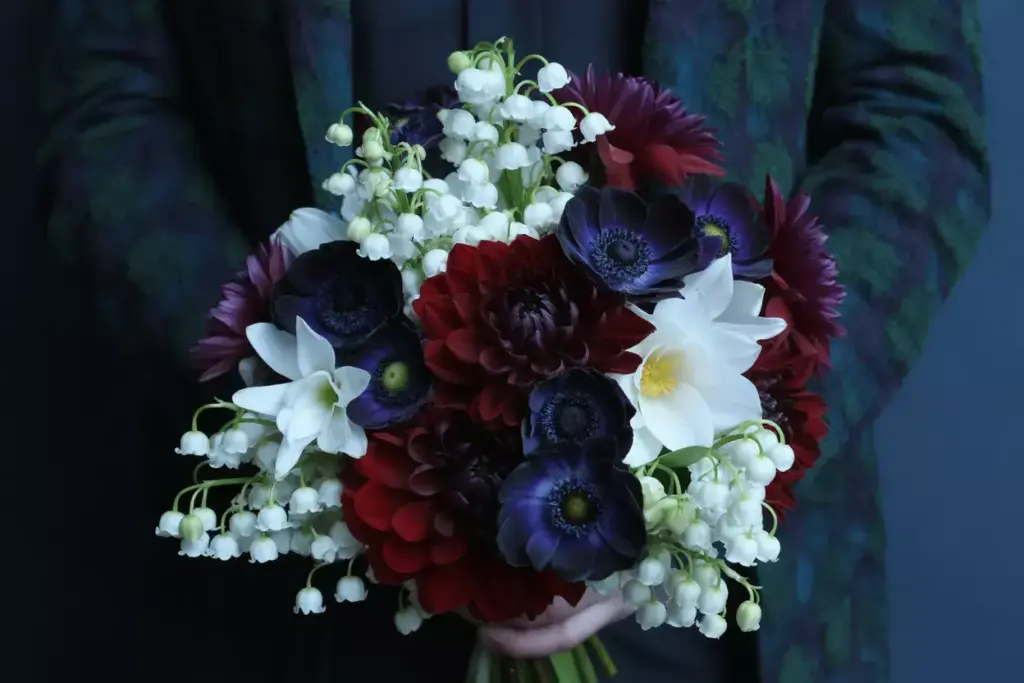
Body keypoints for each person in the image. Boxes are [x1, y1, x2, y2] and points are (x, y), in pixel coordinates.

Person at [38, 1, 988, 681]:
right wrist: (288, 406)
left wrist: (730, 454)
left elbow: (914, 118)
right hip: (304, 593)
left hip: (725, 607)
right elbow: (107, 111)